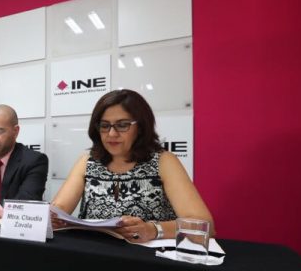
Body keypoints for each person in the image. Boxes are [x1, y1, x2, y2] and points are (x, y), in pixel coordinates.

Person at [50, 89, 214, 243]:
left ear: (141, 128)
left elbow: (205, 226)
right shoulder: (88, 161)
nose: (112, 134)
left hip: (145, 259)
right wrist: (53, 218)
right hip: (95, 254)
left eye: (122, 125)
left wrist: (154, 230)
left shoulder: (164, 161)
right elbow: (60, 209)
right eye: (105, 125)